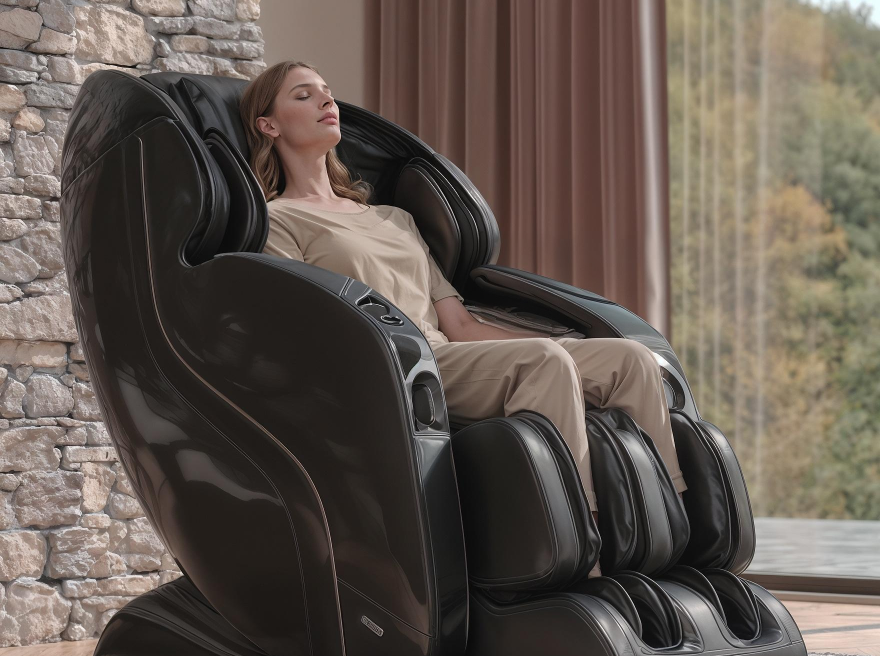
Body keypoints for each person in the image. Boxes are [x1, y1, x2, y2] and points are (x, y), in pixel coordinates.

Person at [239, 59, 688, 564]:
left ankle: (667, 524)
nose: (327, 101)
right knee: (544, 361)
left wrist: (570, 347)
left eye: (327, 91)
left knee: (627, 358)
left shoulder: (393, 218)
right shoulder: (278, 221)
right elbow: (302, 331)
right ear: (268, 125)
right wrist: (547, 354)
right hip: (399, 370)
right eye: (304, 95)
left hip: (450, 354)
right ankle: (582, 542)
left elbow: (460, 325)